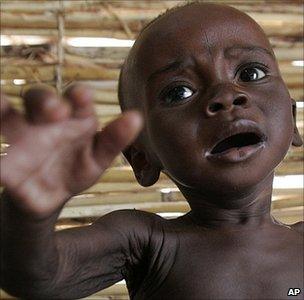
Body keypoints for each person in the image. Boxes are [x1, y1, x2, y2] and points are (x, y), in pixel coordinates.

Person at [1, 2, 303, 299]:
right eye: (179, 92)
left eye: (251, 74)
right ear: (141, 158)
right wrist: (28, 214)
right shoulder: (148, 243)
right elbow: (32, 276)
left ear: (293, 120)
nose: (226, 97)